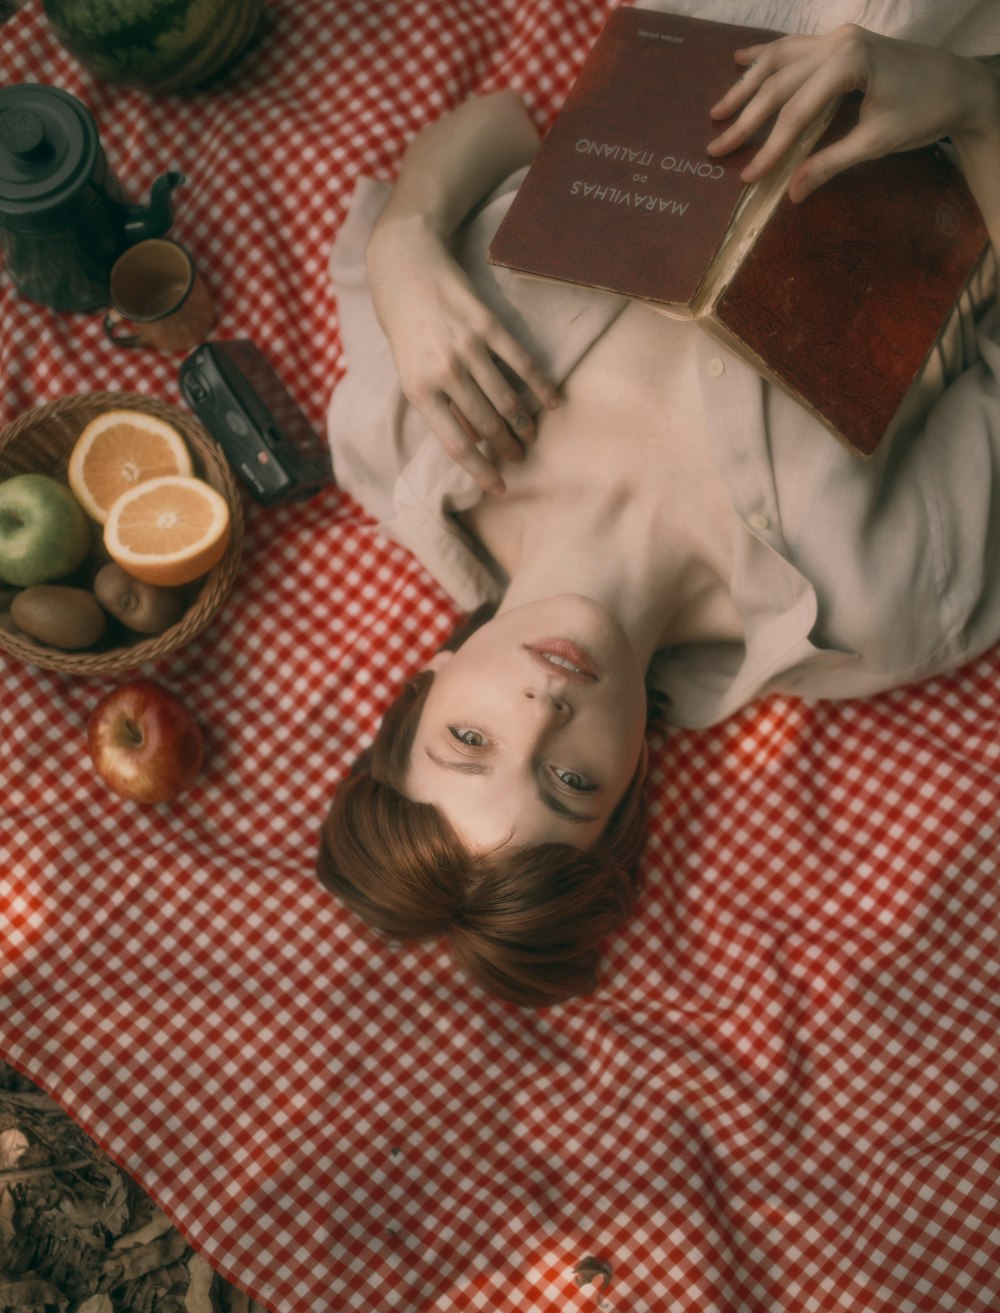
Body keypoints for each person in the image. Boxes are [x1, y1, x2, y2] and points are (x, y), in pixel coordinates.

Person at [318, 7, 1000, 1008]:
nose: (541, 716)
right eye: (569, 785)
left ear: (426, 683)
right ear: (632, 780)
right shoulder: (879, 611)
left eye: (468, 743)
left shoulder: (394, 441)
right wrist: (973, 100)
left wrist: (405, 243)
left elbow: (501, 125)